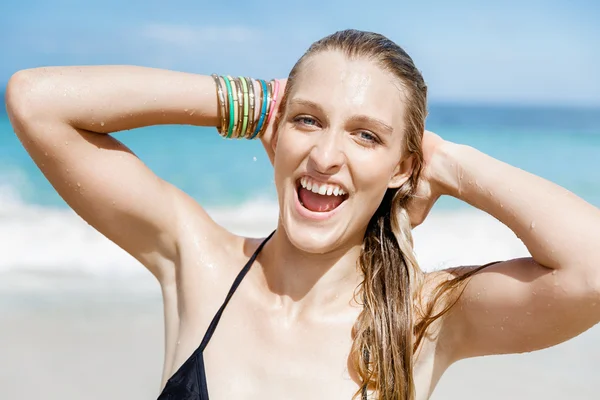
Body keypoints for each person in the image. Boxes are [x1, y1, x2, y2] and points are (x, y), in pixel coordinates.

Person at [4, 29, 600, 400]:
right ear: (277, 131)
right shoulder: (200, 263)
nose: (325, 155)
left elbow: (591, 269)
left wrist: (449, 164)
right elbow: (36, 101)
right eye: (307, 120)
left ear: (401, 166)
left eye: (365, 136)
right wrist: (250, 102)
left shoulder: (422, 317)